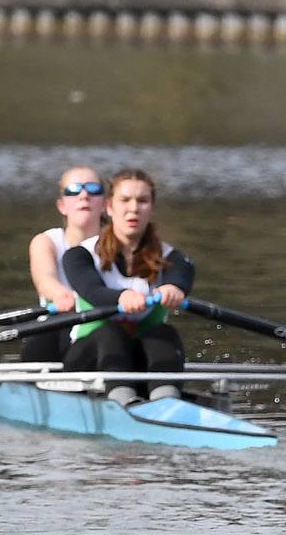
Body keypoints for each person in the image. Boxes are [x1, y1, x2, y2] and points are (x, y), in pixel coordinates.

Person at [60, 167, 195, 402]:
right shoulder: (80, 255)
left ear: (151, 208)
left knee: (164, 333)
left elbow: (181, 278)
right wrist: (121, 297)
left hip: (142, 360)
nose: (133, 208)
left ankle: (166, 403)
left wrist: (174, 290)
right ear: (109, 207)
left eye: (142, 201)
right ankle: (124, 402)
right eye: (125, 200)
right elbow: (93, 291)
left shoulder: (174, 259)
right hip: (89, 360)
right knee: (110, 333)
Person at [23, 167, 108, 364]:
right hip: (58, 326)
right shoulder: (46, 242)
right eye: (74, 190)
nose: (84, 195)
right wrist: (61, 295)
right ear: (62, 205)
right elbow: (44, 279)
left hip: (103, 328)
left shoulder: (119, 245)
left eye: (93, 189)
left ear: (105, 204)